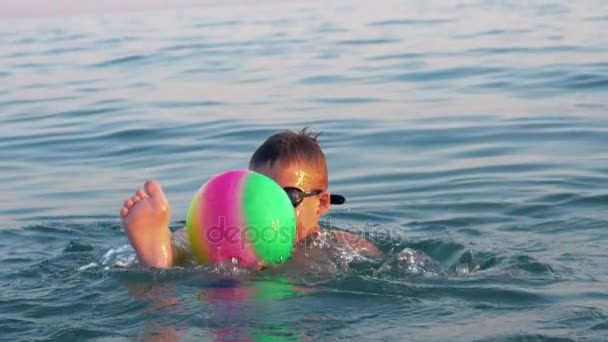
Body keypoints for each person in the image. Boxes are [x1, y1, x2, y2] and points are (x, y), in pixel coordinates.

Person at [119, 128, 380, 268]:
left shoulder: (339, 245)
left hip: (278, 307)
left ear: (322, 203)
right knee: (198, 238)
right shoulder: (239, 231)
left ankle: (160, 284)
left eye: (286, 196)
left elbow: (377, 263)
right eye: (259, 195)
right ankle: (161, 255)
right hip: (233, 288)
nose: (270, 210)